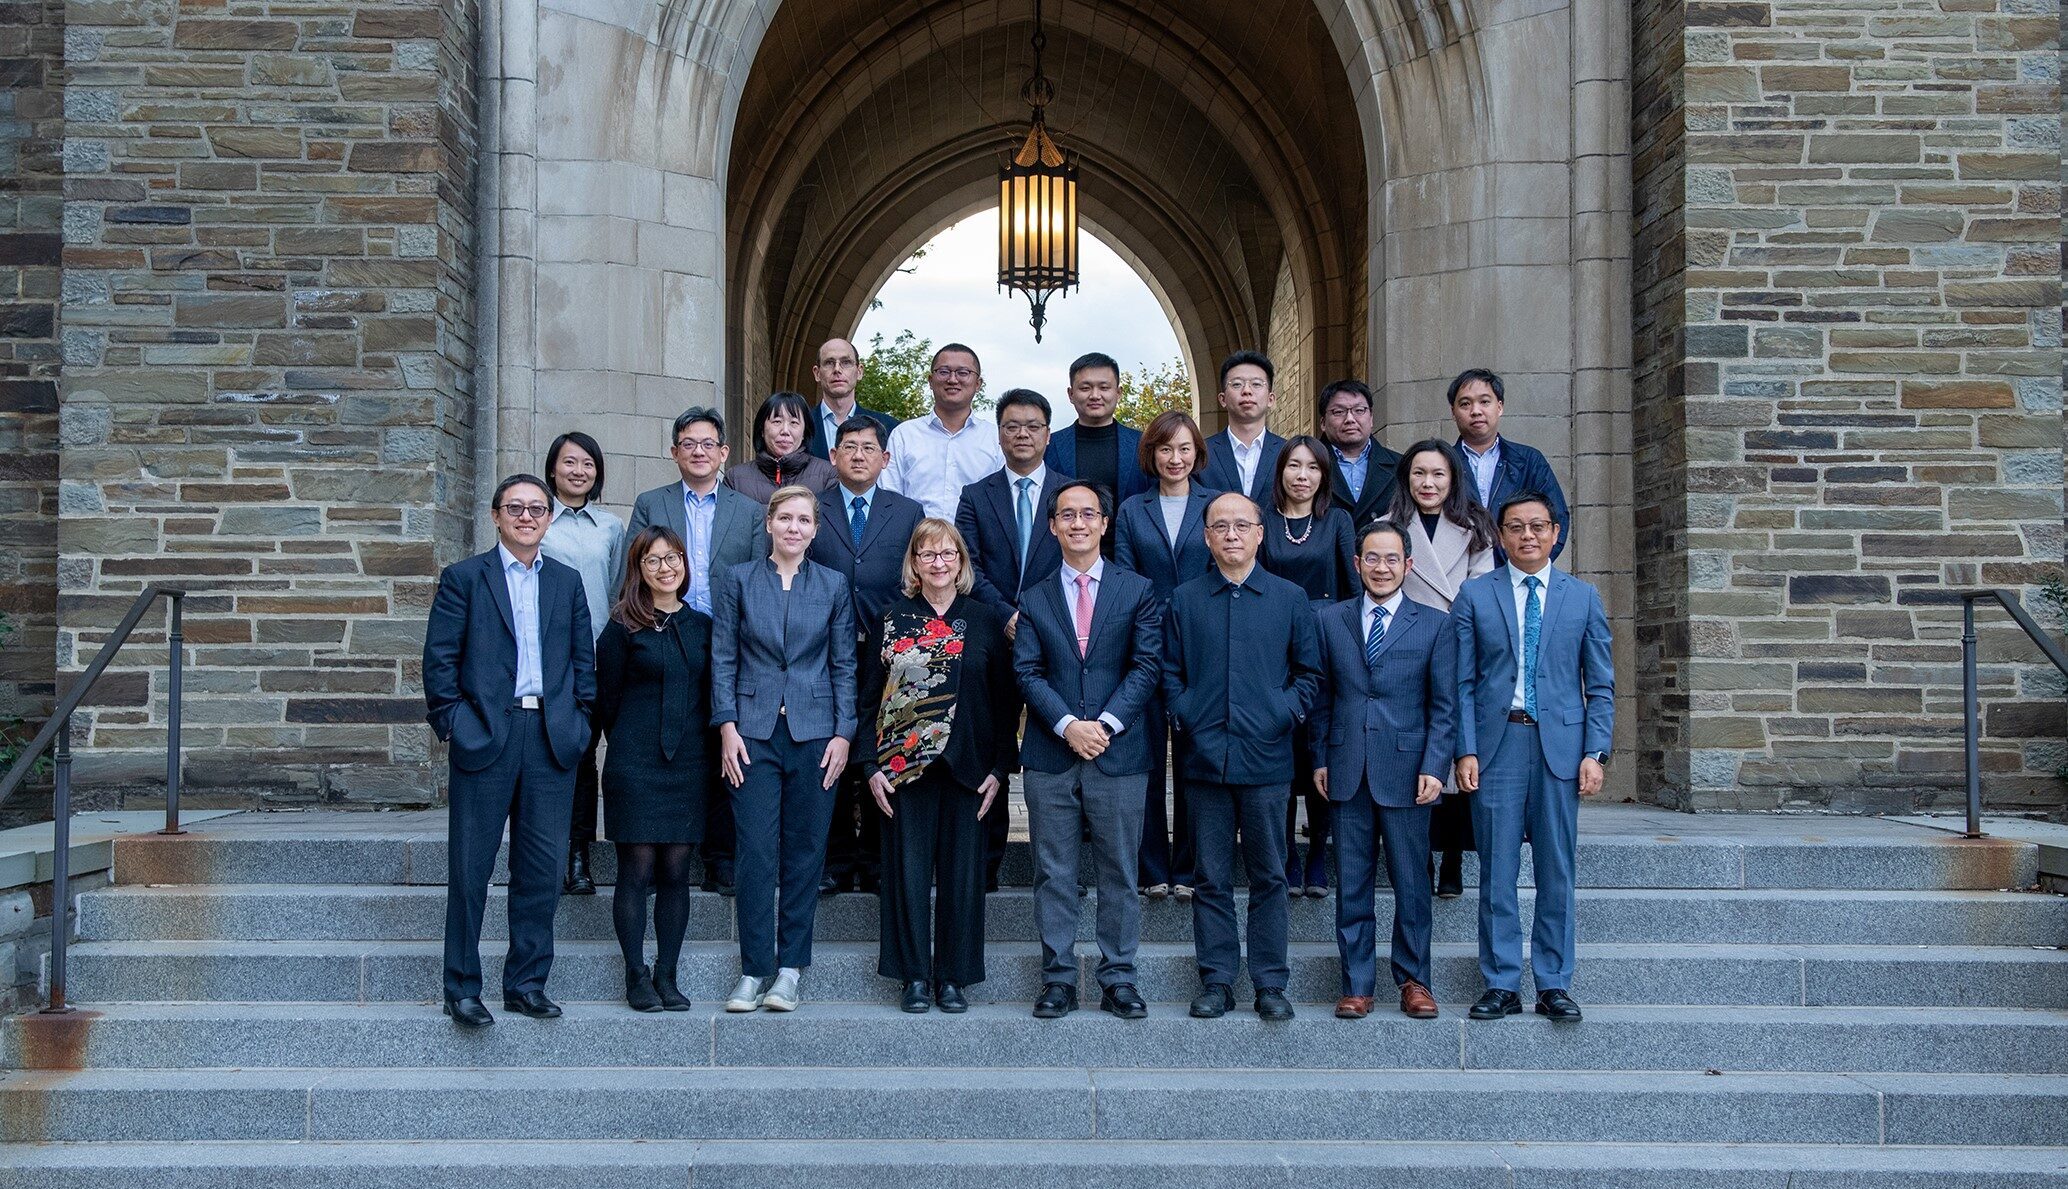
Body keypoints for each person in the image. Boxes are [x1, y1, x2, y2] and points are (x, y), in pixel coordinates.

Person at [422, 474, 595, 1028]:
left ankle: (526, 983)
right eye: (515, 508)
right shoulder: (464, 579)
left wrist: (580, 723)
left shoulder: (566, 583)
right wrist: (455, 723)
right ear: (496, 515)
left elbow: (583, 664)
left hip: (550, 738)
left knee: (541, 871)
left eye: (536, 509)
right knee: (471, 870)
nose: (526, 516)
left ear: (549, 519)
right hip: (485, 736)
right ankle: (462, 987)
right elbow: (439, 662)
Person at [1161, 492, 1323, 1022]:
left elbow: (1310, 675)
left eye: (1241, 525)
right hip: (1203, 758)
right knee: (1209, 876)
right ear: (1206, 537)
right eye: (1219, 526)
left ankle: (1270, 982)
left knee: (1270, 874)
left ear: (1260, 533)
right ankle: (1217, 980)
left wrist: (1281, 714)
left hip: (1268, 759)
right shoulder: (1184, 599)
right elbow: (1169, 673)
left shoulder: (1289, 598)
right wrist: (1185, 715)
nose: (1231, 534)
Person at [1453, 492, 1614, 1024]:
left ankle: (1553, 983)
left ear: (1554, 533)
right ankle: (1501, 982)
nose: (1527, 535)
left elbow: (1602, 684)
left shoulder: (1583, 597)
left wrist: (1595, 751)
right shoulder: (1475, 596)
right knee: (1497, 870)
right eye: (1516, 527)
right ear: (1500, 535)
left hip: (1560, 751)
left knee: (1556, 870)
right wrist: (1466, 749)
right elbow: (1462, 682)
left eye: (1538, 526)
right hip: (1497, 747)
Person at [1013, 480, 1162, 1019]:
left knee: (1119, 870)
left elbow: (1146, 666)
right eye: (1067, 515)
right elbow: (1026, 671)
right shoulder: (1033, 597)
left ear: (1104, 523)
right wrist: (1067, 724)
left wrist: (1104, 723)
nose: (1078, 523)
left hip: (1119, 752)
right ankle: (1057, 979)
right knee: (1053, 871)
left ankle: (1118, 978)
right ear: (1051, 526)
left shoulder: (1136, 589)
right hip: (1052, 755)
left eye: (1088, 514)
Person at [711, 485, 858, 1013]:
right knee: (754, 851)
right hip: (751, 733)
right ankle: (754, 969)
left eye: (804, 520)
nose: (794, 527)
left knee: (805, 853)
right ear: (769, 523)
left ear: (815, 530)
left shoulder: (835, 585)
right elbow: (723, 656)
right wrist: (726, 725)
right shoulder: (739, 580)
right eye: (785, 518)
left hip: (816, 733)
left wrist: (844, 733)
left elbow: (844, 663)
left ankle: (790, 968)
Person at [861, 520, 1017, 1013]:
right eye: (927, 554)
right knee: (905, 875)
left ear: (962, 561)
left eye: (948, 553)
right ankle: (912, 976)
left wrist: (999, 767)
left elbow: (1006, 701)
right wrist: (869, 765)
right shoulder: (891, 619)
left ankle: (953, 976)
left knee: (963, 877)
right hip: (902, 769)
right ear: (913, 562)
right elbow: (867, 700)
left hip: (969, 768)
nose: (938, 562)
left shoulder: (985, 619)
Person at [1309, 521, 1456, 1020]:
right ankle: (1358, 984)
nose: (1382, 567)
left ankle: (1415, 981)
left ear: (1408, 565)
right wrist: (1321, 757)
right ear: (1357, 564)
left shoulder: (1434, 624)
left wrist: (1437, 765)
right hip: (1347, 768)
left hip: (1410, 772)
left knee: (1412, 882)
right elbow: (1321, 698)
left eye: (1392, 558)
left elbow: (1444, 705)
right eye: (1372, 558)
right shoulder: (1331, 621)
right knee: (1352, 881)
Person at [628, 407, 770, 896]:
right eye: (688, 443)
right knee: (672, 741)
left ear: (724, 453)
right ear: (674, 452)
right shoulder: (651, 502)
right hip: (665, 635)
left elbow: (758, 582)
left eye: (708, 443)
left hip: (727, 640)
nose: (699, 451)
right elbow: (633, 572)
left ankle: (720, 857)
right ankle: (660, 847)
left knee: (725, 744)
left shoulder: (750, 512)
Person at [592, 526, 712, 1013]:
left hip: (689, 764)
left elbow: (710, 695)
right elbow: (607, 702)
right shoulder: (621, 628)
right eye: (654, 561)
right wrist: (624, 750)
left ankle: (668, 974)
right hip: (635, 764)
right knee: (636, 871)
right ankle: (636, 974)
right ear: (638, 570)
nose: (666, 568)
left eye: (674, 558)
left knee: (677, 871)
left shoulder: (703, 625)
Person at [954, 387, 1067, 886]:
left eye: (1033, 426)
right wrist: (1006, 614)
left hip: (1058, 637)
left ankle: (1061, 865)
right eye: (1012, 426)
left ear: (1047, 434)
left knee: (1057, 743)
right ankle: (987, 862)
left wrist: (1037, 616)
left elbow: (1078, 557)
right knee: (990, 742)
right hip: (991, 636)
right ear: (999, 434)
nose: (1022, 434)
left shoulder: (1070, 493)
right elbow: (968, 564)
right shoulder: (976, 495)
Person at [810, 416, 925, 895]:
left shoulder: (907, 510)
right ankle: (836, 858)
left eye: (868, 447)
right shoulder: (811, 508)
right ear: (833, 457)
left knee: (885, 750)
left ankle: (878, 859)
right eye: (849, 447)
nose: (858, 455)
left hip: (888, 652)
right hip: (825, 649)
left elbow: (916, 577)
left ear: (885, 458)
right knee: (830, 750)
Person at [1381, 438, 1497, 898]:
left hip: (1461, 642)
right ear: (1406, 479)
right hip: (1406, 648)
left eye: (1438, 474)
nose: (1428, 483)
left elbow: (1481, 591)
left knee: (1458, 747)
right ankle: (1422, 854)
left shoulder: (1475, 527)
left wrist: (1460, 633)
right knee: (1418, 746)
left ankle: (1452, 855)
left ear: (1453, 480)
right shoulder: (1385, 526)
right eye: (1419, 474)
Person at [1113, 409, 1217, 901]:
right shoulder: (1133, 510)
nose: (1175, 458)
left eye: (1184, 449)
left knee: (1197, 753)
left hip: (1203, 641)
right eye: (1165, 449)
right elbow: (1128, 579)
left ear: (1197, 454)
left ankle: (1192, 866)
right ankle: (1152, 865)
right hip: (1149, 640)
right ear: (1150, 455)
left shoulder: (1216, 504)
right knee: (1149, 756)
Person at [1257, 434, 1357, 900]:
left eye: (1312, 468)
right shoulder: (1262, 520)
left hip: (1323, 642)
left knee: (1319, 746)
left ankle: (1317, 852)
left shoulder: (1337, 520)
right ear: (1280, 472)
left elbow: (1353, 588)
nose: (1302, 476)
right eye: (1294, 466)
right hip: (1272, 640)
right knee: (1281, 745)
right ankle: (1286, 856)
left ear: (1323, 475)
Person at [538, 431, 624, 898]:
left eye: (588, 463)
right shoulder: (538, 521)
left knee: (600, 754)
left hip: (600, 655)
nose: (578, 471)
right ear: (553, 469)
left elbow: (616, 591)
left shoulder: (610, 527)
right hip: (555, 660)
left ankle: (585, 851)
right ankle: (569, 854)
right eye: (569, 462)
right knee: (571, 756)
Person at [1449, 368, 1571, 564]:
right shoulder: (1441, 464)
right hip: (1458, 578)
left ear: (1499, 407)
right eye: (1465, 404)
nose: (1476, 411)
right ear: (1453, 412)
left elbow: (1557, 519)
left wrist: (1527, 568)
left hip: (1515, 576)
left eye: (1484, 402)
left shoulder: (1529, 461)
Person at [881, 343, 1004, 519]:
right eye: (944, 372)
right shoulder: (904, 435)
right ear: (931, 381)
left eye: (963, 373)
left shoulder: (995, 438)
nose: (953, 380)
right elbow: (888, 497)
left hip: (978, 544)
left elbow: (1003, 501)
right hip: (914, 542)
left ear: (978, 384)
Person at [1044, 351, 1149, 553]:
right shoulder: (1051, 446)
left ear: (1118, 393)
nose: (1095, 395)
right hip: (1065, 558)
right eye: (1085, 388)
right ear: (1071, 394)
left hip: (1130, 558)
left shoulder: (1143, 445)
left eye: (1104, 387)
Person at [1197, 350, 1285, 503]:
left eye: (1256, 384)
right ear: (1222, 399)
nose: (1247, 391)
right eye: (1237, 384)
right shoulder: (1202, 454)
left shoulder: (1288, 452)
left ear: (1271, 399)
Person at [1318, 379, 1401, 531]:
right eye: (1338, 412)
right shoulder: (1308, 466)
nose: (1350, 419)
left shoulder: (1401, 466)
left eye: (1359, 410)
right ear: (1323, 422)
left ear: (1371, 418)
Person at [726, 391, 838, 502]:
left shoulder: (827, 476)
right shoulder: (736, 479)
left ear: (804, 432)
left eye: (794, 423)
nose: (785, 431)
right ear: (762, 430)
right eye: (777, 421)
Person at [805, 336, 899, 460]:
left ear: (859, 372)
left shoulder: (890, 428)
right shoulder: (799, 427)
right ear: (817, 373)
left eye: (846, 362)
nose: (837, 369)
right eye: (829, 363)